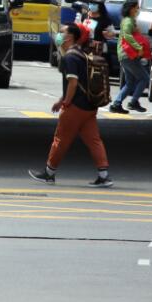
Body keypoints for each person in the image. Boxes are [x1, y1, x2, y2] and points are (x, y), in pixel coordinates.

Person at [29, 23, 114, 187]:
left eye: (62, 32)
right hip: (89, 106)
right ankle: (103, 175)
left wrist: (66, 102)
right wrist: (62, 99)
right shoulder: (82, 54)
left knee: (60, 139)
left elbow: (73, 83)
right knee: (94, 140)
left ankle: (49, 172)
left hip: (76, 107)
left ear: (69, 37)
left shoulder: (70, 57)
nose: (59, 35)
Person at [109, 0, 151, 114]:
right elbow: (127, 35)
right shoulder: (128, 21)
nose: (138, 10)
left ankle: (116, 104)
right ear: (131, 8)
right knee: (144, 78)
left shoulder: (130, 20)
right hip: (128, 55)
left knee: (130, 82)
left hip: (125, 55)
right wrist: (139, 47)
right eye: (136, 7)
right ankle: (133, 102)